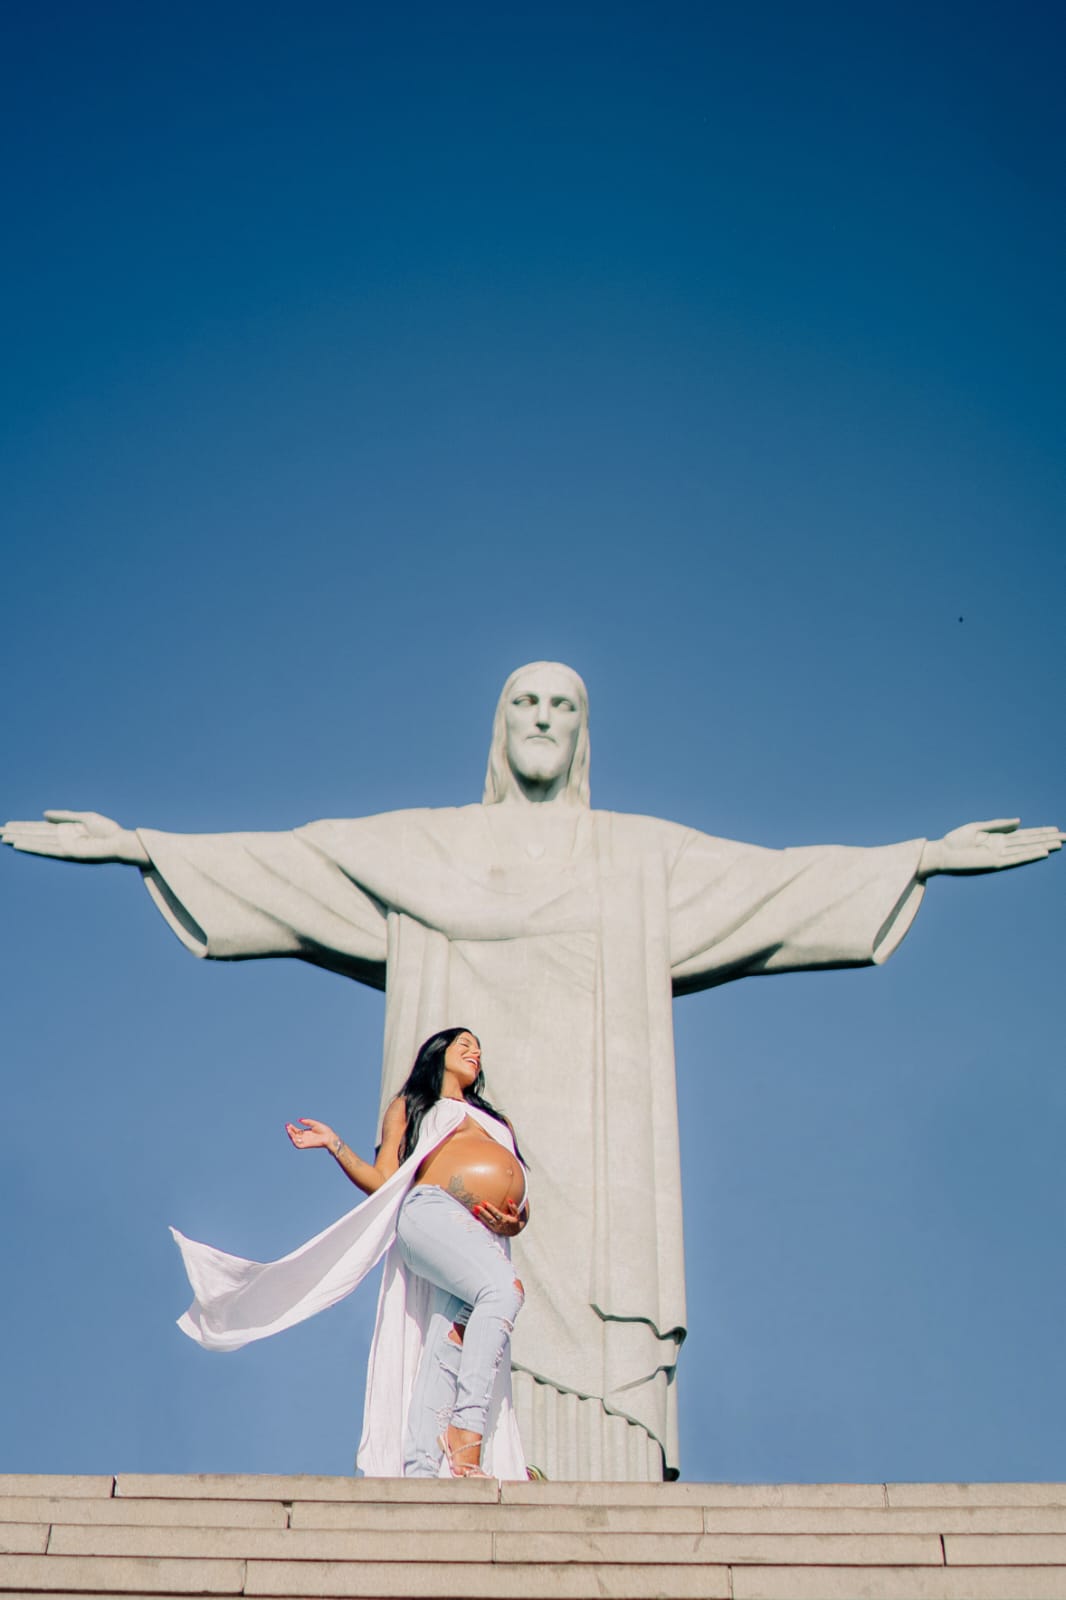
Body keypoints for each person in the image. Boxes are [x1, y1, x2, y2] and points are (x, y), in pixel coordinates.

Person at [3, 661, 1061, 1480]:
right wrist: (145, 846)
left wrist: (915, 859)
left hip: (598, 1158)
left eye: (562, 704)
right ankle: (459, 1459)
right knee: (476, 1300)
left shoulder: (638, 858)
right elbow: (294, 862)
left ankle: (560, 1469)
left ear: (583, 729)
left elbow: (772, 889)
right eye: (525, 704)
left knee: (574, 1308)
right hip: (453, 1165)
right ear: (499, 729)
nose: (545, 719)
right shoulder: (425, 849)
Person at [173, 1027, 530, 1479]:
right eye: (464, 1045)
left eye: (479, 1047)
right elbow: (383, 1180)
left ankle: (423, 1466)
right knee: (503, 1291)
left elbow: (518, 1190)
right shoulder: (411, 1107)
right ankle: (466, 1431)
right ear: (438, 1055)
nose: (475, 1051)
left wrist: (516, 1219)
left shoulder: (497, 1122)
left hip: (483, 1232)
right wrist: (335, 1145)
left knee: (451, 1333)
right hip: (432, 1212)